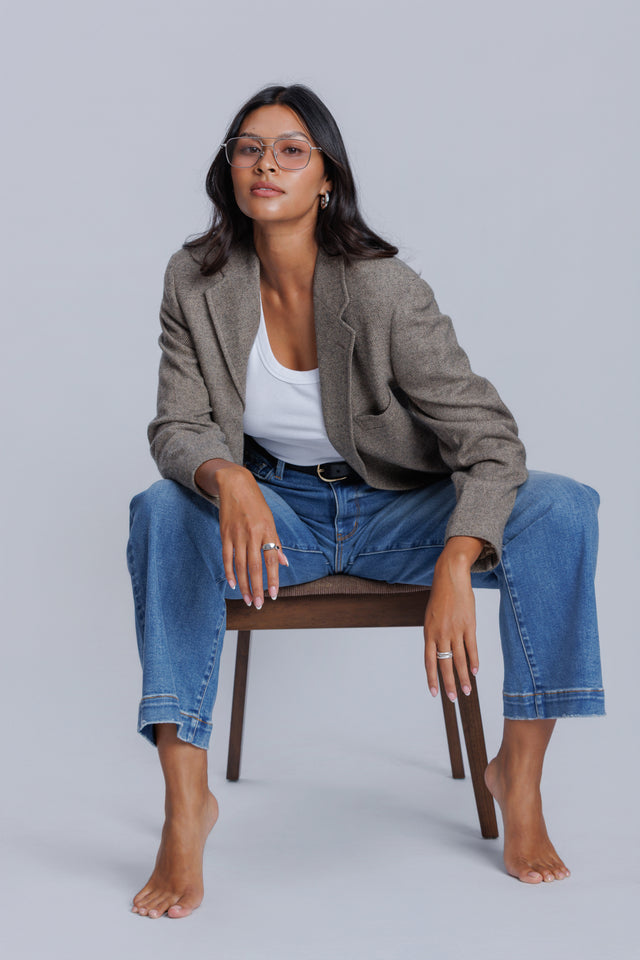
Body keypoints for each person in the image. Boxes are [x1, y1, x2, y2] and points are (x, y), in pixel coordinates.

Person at [126, 84, 604, 919]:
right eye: (248, 148)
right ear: (229, 169)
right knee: (161, 511)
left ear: (327, 179)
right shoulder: (195, 280)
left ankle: (518, 778)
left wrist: (457, 558)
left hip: (397, 512)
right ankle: (185, 800)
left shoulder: (383, 289)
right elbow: (178, 425)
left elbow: (491, 440)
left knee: (563, 508)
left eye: (291, 150)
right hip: (276, 520)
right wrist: (229, 478)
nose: (266, 164)